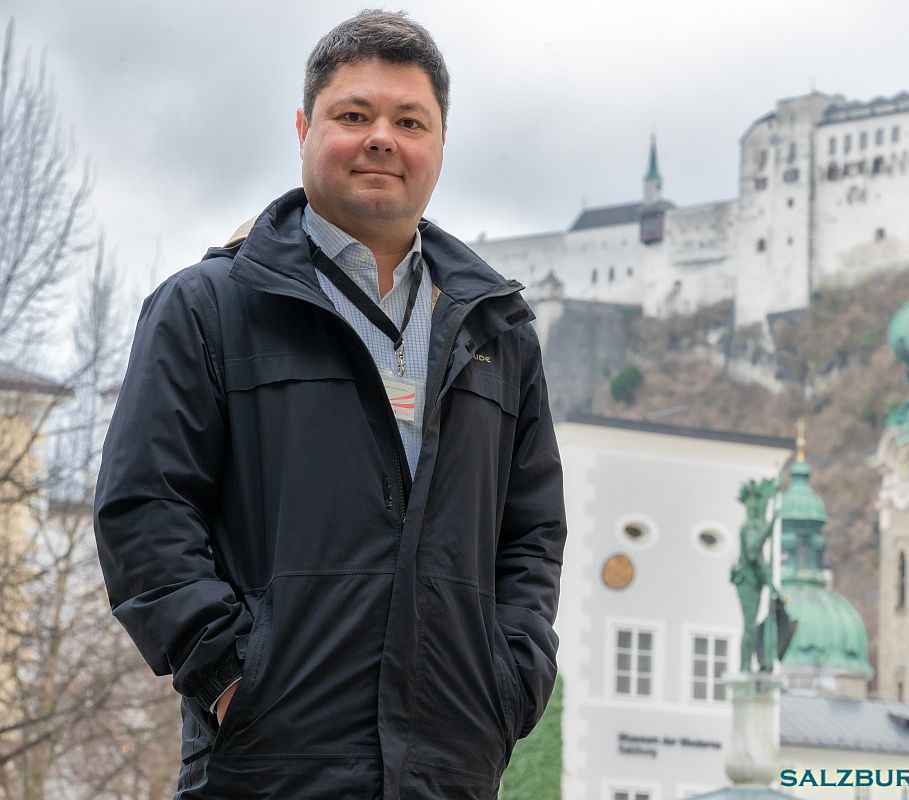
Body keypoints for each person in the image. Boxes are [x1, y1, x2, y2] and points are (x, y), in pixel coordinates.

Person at [93, 10, 566, 799]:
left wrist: (509, 683)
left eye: (409, 121)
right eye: (354, 115)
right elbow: (145, 510)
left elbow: (532, 533)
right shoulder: (208, 308)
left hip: (448, 769)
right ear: (305, 129)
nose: (382, 138)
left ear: (440, 143)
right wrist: (231, 678)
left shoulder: (500, 332)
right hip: (265, 767)